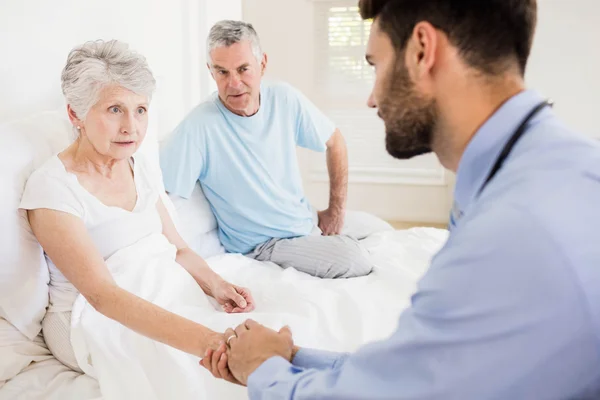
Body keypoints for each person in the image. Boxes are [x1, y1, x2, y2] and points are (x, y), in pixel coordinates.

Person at [201, 0, 600, 398]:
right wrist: (292, 356)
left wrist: (263, 369)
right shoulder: (551, 172)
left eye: (376, 65)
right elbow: (412, 372)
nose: (371, 99)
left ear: (423, 51)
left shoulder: (506, 233)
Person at [19, 39, 255, 373]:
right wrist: (211, 342)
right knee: (201, 369)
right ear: (76, 113)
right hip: (92, 319)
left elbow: (179, 249)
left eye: (140, 110)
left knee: (264, 339)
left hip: (163, 294)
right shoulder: (53, 189)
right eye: (115, 109)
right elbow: (103, 296)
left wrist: (216, 285)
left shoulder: (137, 165)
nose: (132, 127)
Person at [159, 20, 372, 279]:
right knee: (356, 259)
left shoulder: (283, 97)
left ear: (262, 64)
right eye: (222, 72)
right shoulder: (197, 126)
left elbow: (335, 141)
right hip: (264, 245)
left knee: (377, 228)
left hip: (306, 222)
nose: (234, 83)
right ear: (210, 71)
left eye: (243, 69)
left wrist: (335, 212)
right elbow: (160, 197)